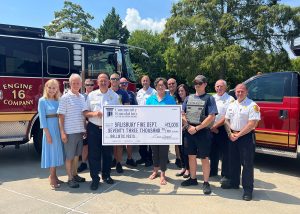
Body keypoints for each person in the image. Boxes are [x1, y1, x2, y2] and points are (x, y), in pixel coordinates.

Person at [222, 83, 260, 201]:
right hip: (232, 136)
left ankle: (248, 190)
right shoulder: (232, 105)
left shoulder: (252, 105)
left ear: (247, 92)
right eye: (238, 91)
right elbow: (226, 120)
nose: (239, 93)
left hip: (246, 137)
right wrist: (230, 133)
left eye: (242, 91)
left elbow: (252, 124)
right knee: (233, 161)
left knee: (247, 164)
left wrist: (238, 134)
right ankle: (234, 183)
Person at [83, 72, 121, 191]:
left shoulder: (114, 96)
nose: (103, 82)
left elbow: (119, 113)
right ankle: (95, 178)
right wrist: (94, 114)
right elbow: (85, 112)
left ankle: (106, 175)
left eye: (105, 80)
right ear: (97, 82)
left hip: (108, 129)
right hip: (94, 128)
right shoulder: (91, 95)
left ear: (109, 82)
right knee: (94, 155)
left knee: (107, 154)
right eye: (101, 81)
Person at [181, 75, 218, 195]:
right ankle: (193, 179)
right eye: (196, 83)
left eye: (200, 83)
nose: (197, 85)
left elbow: (211, 116)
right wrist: (188, 126)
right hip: (189, 130)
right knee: (191, 156)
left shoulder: (209, 98)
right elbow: (182, 113)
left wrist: (197, 128)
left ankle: (206, 182)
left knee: (204, 158)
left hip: (202, 132)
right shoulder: (188, 98)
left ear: (205, 84)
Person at [58, 73, 86, 188]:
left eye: (77, 83)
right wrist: (63, 133)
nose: (75, 85)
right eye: (73, 83)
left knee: (76, 156)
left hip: (79, 131)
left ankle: (75, 174)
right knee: (69, 157)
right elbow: (61, 117)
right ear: (70, 84)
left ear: (81, 84)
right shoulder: (65, 97)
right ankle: (70, 178)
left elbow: (83, 114)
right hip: (69, 132)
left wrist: (84, 129)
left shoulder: (82, 97)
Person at [146, 77, 176, 185]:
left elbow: (173, 114)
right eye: (158, 85)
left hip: (165, 131)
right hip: (153, 130)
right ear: (156, 87)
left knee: (163, 153)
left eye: (162, 85)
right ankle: (155, 170)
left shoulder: (170, 99)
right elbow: (145, 114)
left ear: (165, 87)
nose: (160, 87)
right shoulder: (150, 99)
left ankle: (163, 173)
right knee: (154, 152)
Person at [38, 79, 64, 189]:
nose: (52, 90)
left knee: (57, 152)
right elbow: (42, 119)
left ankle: (54, 175)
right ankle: (52, 177)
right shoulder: (42, 101)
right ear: (46, 88)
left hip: (58, 129)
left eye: (54, 88)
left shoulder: (58, 100)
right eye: (50, 88)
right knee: (51, 153)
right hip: (49, 130)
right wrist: (47, 134)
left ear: (57, 89)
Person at [209, 80, 235, 183]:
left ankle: (225, 174)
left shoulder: (230, 99)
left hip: (223, 128)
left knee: (225, 153)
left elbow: (227, 116)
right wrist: (211, 126)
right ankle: (213, 171)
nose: (219, 88)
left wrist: (215, 126)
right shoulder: (212, 98)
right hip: (211, 127)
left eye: (221, 86)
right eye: (217, 86)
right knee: (213, 151)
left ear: (225, 87)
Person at [110, 73, 130, 173]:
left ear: (119, 81)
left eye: (116, 79)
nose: (114, 80)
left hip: (120, 121)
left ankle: (118, 163)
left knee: (120, 144)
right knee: (112, 144)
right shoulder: (106, 92)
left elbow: (127, 107)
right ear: (110, 80)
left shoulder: (124, 93)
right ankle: (114, 159)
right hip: (109, 122)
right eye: (112, 79)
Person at [136, 75, 157, 167]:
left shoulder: (154, 92)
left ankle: (149, 159)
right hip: (140, 119)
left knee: (150, 141)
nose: (145, 82)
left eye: (146, 80)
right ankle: (143, 157)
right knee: (142, 141)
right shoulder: (139, 92)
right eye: (143, 81)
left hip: (151, 119)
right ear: (141, 82)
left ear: (149, 82)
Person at [119, 77, 138, 167]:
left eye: (125, 83)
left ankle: (129, 159)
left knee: (129, 141)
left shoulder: (131, 94)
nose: (124, 85)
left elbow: (136, 107)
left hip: (129, 120)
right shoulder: (115, 93)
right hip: (118, 121)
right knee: (118, 142)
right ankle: (117, 160)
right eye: (122, 83)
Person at [77, 79, 95, 173]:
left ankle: (95, 165)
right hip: (85, 124)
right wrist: (83, 125)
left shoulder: (96, 96)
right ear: (84, 86)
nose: (90, 86)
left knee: (95, 145)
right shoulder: (81, 97)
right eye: (88, 84)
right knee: (85, 145)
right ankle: (83, 163)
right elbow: (80, 112)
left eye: (91, 84)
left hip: (95, 123)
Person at [175, 84, 190, 179]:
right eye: (179, 91)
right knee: (180, 150)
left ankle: (188, 169)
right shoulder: (177, 102)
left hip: (187, 129)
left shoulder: (190, 101)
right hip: (178, 129)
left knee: (187, 150)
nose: (180, 92)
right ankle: (183, 167)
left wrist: (185, 125)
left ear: (186, 91)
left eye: (182, 91)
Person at [167, 78, 181, 168]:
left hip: (178, 121)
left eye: (173, 83)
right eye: (169, 84)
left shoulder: (179, 94)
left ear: (176, 84)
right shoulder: (165, 94)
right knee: (166, 141)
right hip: (166, 121)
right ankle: (165, 157)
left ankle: (178, 158)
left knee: (177, 142)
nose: (171, 85)